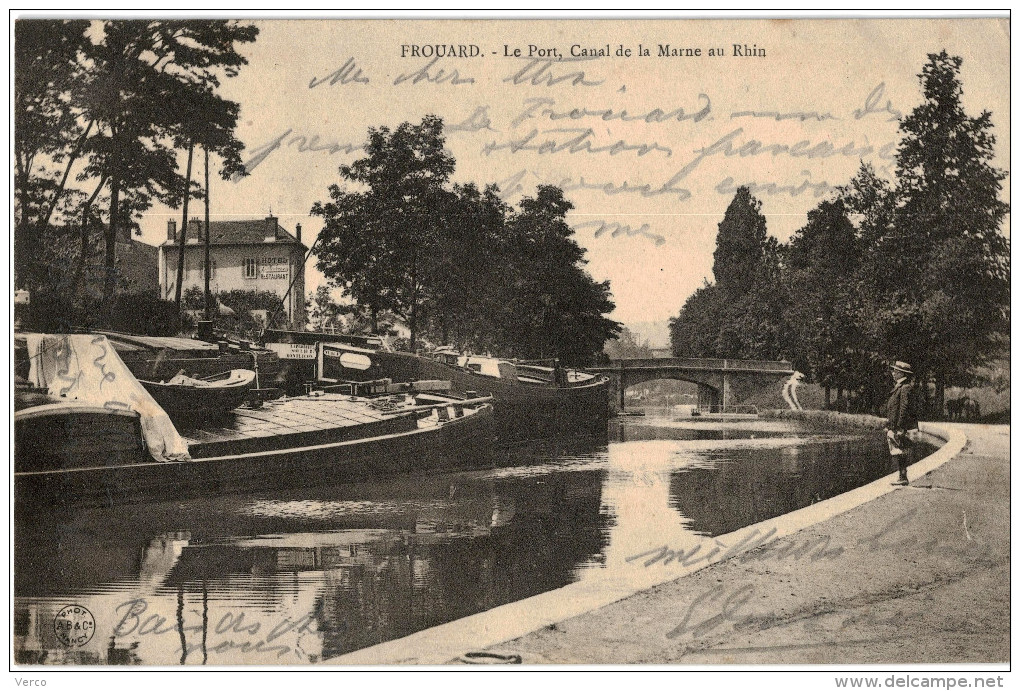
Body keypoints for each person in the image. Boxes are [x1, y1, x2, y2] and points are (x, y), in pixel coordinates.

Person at [885, 360, 919, 486]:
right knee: (899, 449)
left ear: (901, 373)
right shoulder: (901, 386)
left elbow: (904, 408)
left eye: (895, 371)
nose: (893, 373)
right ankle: (902, 476)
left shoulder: (905, 387)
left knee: (900, 449)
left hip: (900, 426)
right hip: (896, 425)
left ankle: (902, 477)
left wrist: (900, 426)